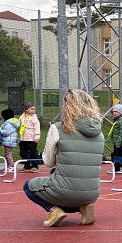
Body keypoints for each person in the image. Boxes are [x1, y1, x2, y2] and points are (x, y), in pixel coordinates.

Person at [23, 89, 104, 227]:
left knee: (28, 187)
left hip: (66, 192)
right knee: (69, 188)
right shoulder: (99, 134)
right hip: (91, 193)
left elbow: (48, 162)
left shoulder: (58, 128)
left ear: (68, 106)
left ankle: (54, 210)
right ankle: (83, 208)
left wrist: (56, 154)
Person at [19, 101, 41, 171]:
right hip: (23, 139)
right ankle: (26, 165)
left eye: (34, 109)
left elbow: (37, 128)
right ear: (25, 110)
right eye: (31, 109)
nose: (33, 110)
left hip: (31, 139)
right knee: (23, 153)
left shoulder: (34, 119)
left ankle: (35, 166)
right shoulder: (22, 117)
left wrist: (37, 137)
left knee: (33, 153)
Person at [108, 103, 122, 173]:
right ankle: (116, 167)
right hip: (115, 141)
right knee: (115, 155)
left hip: (119, 142)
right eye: (113, 111)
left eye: (116, 112)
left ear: (120, 112)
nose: (114, 113)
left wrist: (119, 142)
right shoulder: (117, 120)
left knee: (120, 155)